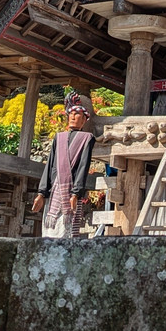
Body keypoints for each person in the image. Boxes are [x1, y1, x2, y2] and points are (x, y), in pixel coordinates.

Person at [32, 91, 96, 238]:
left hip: (70, 193)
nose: (73, 117)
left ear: (85, 119)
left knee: (67, 233)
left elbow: (83, 167)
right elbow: (49, 166)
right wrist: (42, 193)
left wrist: (76, 193)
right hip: (54, 191)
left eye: (78, 114)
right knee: (49, 231)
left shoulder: (87, 138)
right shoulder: (58, 138)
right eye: (71, 114)